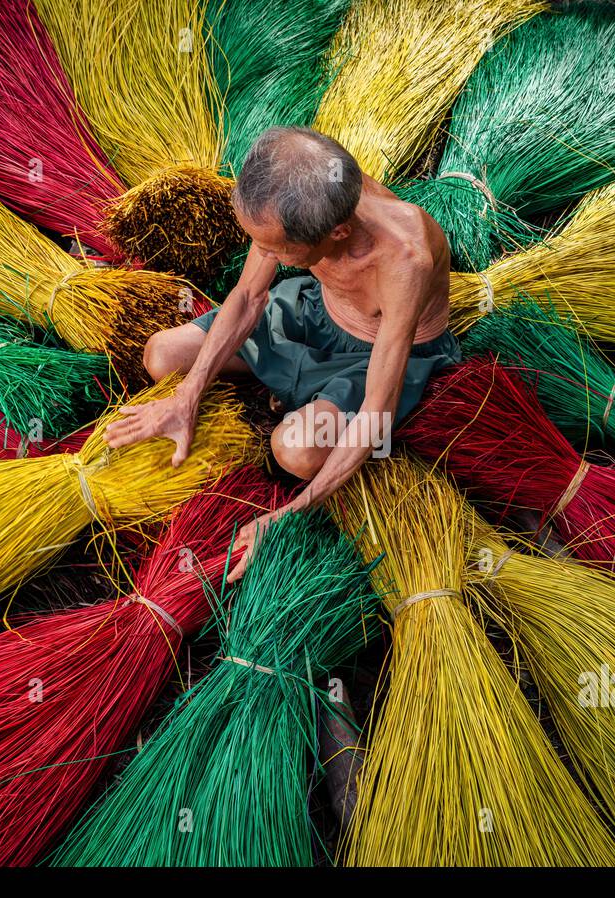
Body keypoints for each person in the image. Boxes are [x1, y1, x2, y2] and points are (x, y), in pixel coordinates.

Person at [105, 126, 460, 579]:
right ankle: (288, 388)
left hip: (379, 356)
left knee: (296, 450)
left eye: (275, 249)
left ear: (338, 232)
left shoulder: (404, 258)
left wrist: (295, 511)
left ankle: (300, 399)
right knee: (163, 356)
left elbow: (377, 409)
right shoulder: (308, 178)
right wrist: (186, 398)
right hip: (313, 308)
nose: (262, 253)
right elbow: (249, 298)